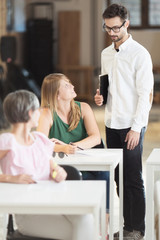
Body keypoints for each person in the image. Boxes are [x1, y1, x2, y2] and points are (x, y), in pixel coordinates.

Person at [0, 90, 94, 240]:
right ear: (30, 113)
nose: (41, 113)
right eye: (38, 110)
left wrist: (58, 173)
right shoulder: (7, 141)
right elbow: (11, 178)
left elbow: (54, 169)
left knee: (87, 219)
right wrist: (10, 178)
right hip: (29, 214)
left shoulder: (40, 140)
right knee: (82, 230)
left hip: (54, 203)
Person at [94, 4, 154, 240]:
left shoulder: (140, 54)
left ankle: (137, 230)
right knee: (119, 178)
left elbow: (145, 95)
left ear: (126, 24)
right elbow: (106, 85)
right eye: (107, 28)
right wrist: (100, 96)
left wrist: (136, 128)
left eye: (116, 28)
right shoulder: (106, 54)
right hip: (111, 123)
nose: (111, 32)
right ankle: (127, 226)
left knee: (133, 178)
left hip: (132, 125)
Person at [37, 73, 110, 235]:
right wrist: (62, 149)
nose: (73, 87)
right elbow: (40, 143)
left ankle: (103, 228)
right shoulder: (46, 113)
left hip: (89, 168)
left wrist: (72, 146)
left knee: (104, 174)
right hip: (64, 171)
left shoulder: (83, 107)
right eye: (66, 85)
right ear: (57, 94)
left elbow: (95, 138)